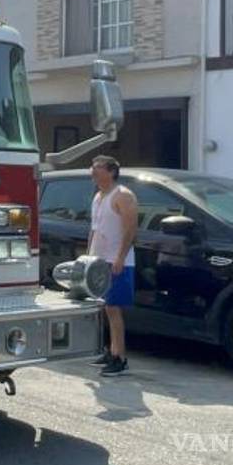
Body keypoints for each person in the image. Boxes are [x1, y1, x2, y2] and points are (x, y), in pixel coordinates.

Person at [87, 155, 137, 377]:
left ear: (111, 172)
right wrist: (88, 256)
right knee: (103, 307)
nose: (93, 172)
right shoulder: (98, 196)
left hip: (116, 261)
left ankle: (120, 357)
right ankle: (110, 350)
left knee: (114, 308)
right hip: (98, 260)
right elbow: (95, 229)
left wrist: (120, 257)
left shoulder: (123, 196)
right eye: (93, 167)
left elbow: (130, 229)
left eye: (98, 168)